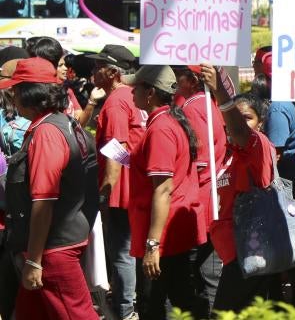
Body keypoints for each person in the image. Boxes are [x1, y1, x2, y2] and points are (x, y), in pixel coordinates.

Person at [1, 57, 98, 320]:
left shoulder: (47, 132)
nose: (13, 94)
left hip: (52, 250)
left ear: (30, 93)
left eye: (17, 89)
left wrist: (34, 260)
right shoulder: (61, 122)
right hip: (50, 244)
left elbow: (44, 200)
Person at [126, 64, 207, 319]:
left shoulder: (161, 127)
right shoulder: (168, 121)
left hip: (163, 233)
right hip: (167, 231)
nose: (131, 93)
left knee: (155, 303)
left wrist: (153, 245)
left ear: (150, 93)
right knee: (178, 297)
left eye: (136, 88)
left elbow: (163, 190)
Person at [199, 65, 278, 312]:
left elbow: (240, 131)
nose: (238, 124)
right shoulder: (231, 152)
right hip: (232, 252)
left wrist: (220, 92)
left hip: (249, 251)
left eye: (248, 117)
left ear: (261, 123)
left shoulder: (257, 145)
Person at [87, 44, 142, 320]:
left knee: (122, 252)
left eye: (99, 67)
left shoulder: (117, 101)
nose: (93, 71)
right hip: (135, 186)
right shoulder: (131, 96)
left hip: (124, 190)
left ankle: (126, 310)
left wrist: (107, 191)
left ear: (113, 72)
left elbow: (117, 148)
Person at [174, 66, 227, 315]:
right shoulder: (206, 103)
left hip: (202, 197)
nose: (175, 81)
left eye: (179, 76)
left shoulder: (195, 107)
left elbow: (200, 160)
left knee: (204, 272)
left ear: (191, 80)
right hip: (209, 194)